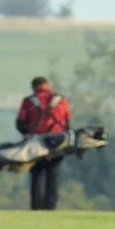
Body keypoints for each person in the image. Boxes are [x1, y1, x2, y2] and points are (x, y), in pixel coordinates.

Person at [15, 75, 71, 211]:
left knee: (36, 175)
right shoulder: (61, 100)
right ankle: (50, 207)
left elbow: (21, 123)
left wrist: (27, 135)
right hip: (57, 141)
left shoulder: (28, 102)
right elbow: (67, 122)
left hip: (36, 142)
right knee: (53, 175)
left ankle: (36, 207)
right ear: (48, 85)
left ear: (33, 87)